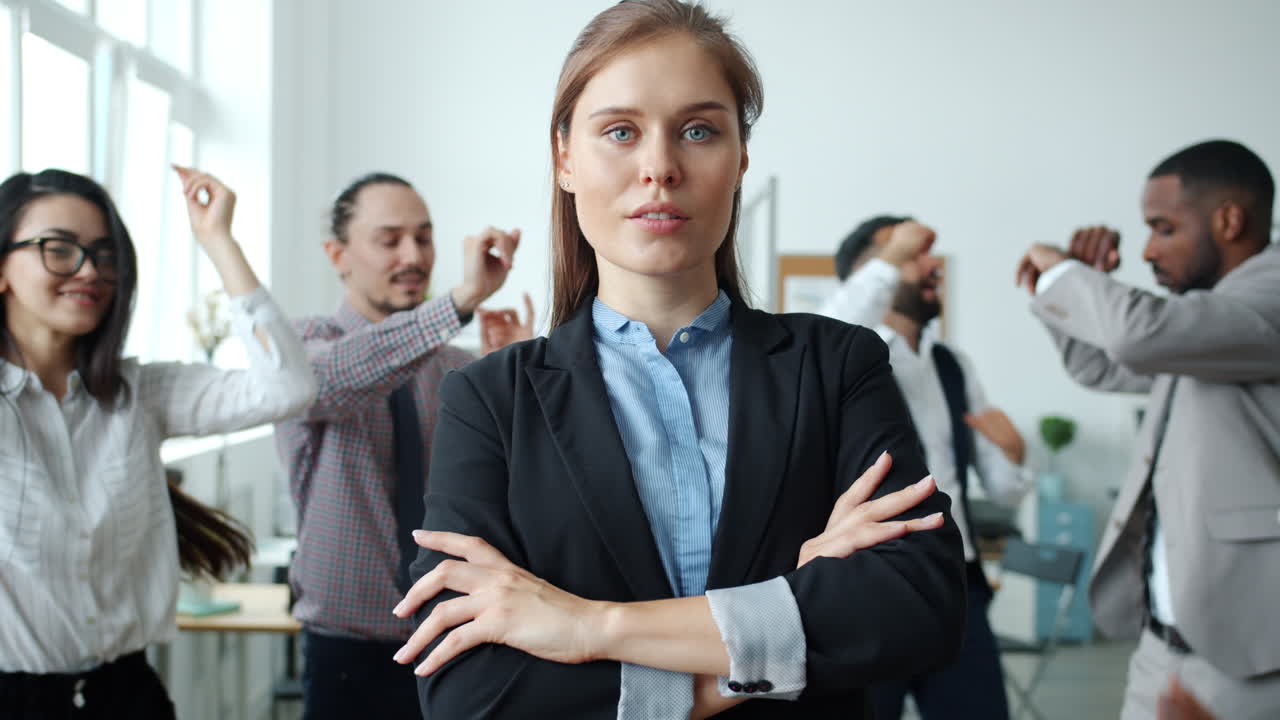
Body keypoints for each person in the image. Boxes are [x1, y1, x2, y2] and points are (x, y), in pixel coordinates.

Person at [389, 2, 967, 718]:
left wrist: (586, 625)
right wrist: (785, 616)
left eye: (698, 130)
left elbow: (916, 608)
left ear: (740, 161)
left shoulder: (837, 364)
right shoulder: (489, 400)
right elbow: (467, 692)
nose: (659, 167)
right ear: (565, 157)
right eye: (621, 132)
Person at [0, 167, 315, 718]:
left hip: (124, 695)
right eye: (58, 249)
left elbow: (287, 387)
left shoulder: (140, 395)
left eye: (105, 253)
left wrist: (218, 239)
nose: (89, 270)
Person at [1015, 139, 1280, 719]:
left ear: (1229, 220)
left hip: (1252, 657)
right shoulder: (1204, 318)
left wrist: (1062, 269)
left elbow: (1141, 334)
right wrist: (1064, 288)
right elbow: (1102, 364)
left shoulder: (1268, 294)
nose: (1148, 249)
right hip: (1162, 646)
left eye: (1163, 228)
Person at [274, 172, 528, 719]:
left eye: (424, 237)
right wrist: (461, 300)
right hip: (347, 649)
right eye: (389, 241)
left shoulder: (461, 368)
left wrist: (517, 377)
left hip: (455, 637)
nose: (413, 256)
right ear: (337, 254)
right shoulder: (304, 347)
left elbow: (517, 490)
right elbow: (338, 381)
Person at [819, 215, 1034, 719]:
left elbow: (1003, 491)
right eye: (914, 255)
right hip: (870, 588)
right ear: (873, 272)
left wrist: (1016, 457)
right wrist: (893, 257)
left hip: (958, 588)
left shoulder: (954, 366)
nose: (932, 264)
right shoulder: (841, 353)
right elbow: (834, 329)